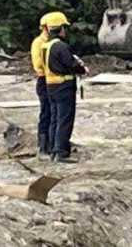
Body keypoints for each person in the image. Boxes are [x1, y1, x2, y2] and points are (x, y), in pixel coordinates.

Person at [42, 12, 89, 163]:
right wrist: (83, 69)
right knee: (64, 119)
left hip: (51, 86)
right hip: (63, 86)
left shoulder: (45, 46)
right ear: (60, 28)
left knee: (55, 119)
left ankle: (53, 150)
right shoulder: (60, 46)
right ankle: (61, 152)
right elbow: (71, 64)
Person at [31, 13, 54, 160]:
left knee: (54, 114)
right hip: (44, 80)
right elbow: (38, 64)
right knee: (46, 113)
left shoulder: (53, 42)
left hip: (53, 81)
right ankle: (43, 147)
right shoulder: (38, 43)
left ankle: (53, 144)